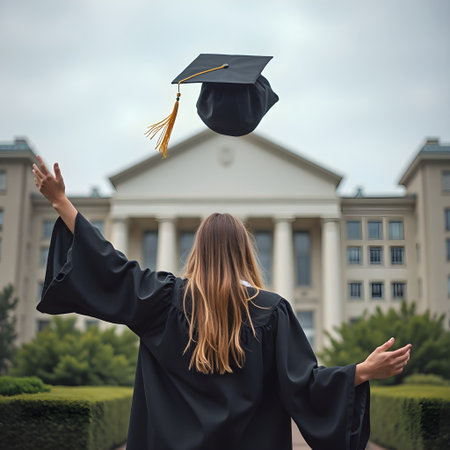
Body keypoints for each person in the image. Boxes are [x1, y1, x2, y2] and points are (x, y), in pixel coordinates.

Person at [33, 157, 411, 450]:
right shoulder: (270, 311)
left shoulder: (163, 301)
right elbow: (303, 384)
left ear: (197, 251)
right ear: (244, 252)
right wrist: (360, 371)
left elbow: (109, 264)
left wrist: (62, 202)